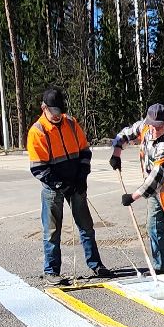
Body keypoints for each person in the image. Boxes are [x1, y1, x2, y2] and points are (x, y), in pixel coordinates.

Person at [27, 88, 111, 285]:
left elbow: (84, 151)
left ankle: (95, 264)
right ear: (44, 108)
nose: (57, 116)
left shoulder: (71, 123)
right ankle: (51, 271)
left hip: (76, 184)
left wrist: (82, 176)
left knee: (86, 226)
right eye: (54, 112)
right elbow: (38, 168)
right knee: (52, 231)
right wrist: (61, 185)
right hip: (53, 188)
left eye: (60, 112)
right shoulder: (37, 131)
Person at [112, 103, 164, 278]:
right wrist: (116, 153)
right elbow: (124, 135)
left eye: (160, 126)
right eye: (152, 125)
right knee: (154, 227)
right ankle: (161, 266)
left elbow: (157, 175)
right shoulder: (145, 127)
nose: (155, 130)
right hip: (152, 193)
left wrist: (133, 196)